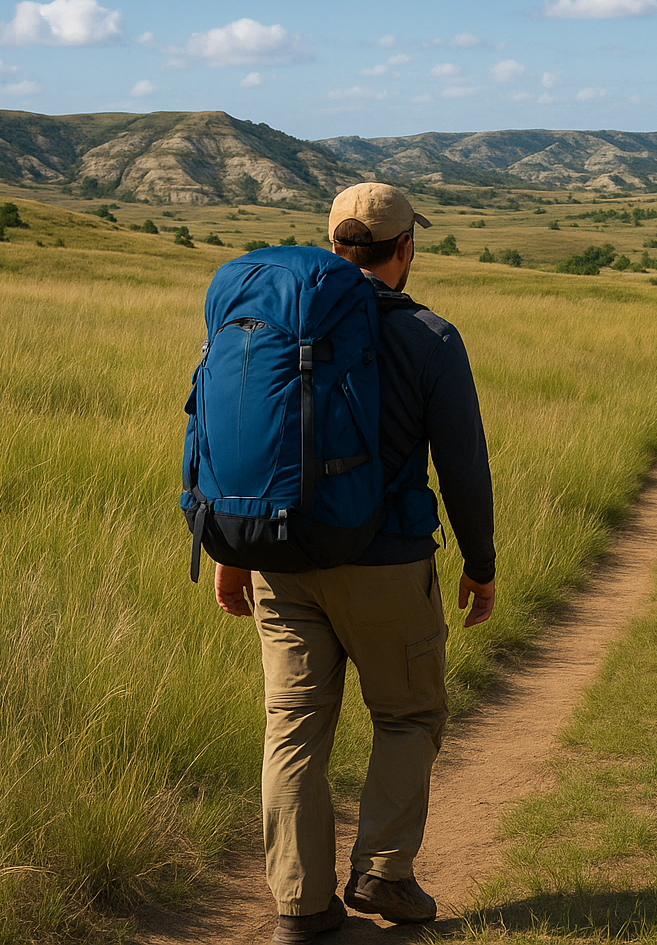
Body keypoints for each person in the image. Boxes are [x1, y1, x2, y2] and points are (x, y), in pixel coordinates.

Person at [212, 182, 498, 943]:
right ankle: (383, 870)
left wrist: (229, 551)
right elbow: (463, 464)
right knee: (409, 714)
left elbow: (229, 437)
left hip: (279, 555)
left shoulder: (277, 319)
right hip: (389, 565)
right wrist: (481, 561)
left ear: (334, 243)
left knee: (294, 727)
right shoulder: (432, 337)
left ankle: (300, 910)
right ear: (405, 249)